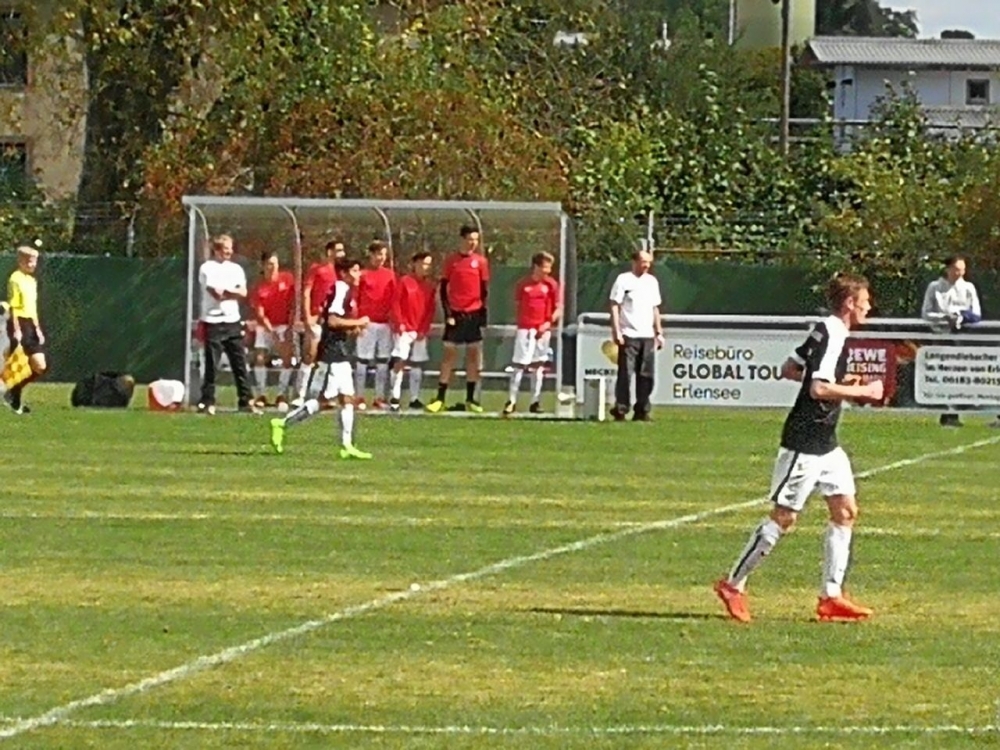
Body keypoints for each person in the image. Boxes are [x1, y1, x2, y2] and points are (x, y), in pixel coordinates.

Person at [714, 273, 884, 624]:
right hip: (805, 442)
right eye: (865, 300)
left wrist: (841, 384)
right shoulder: (832, 334)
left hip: (826, 442)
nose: (869, 306)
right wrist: (862, 391)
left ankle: (831, 597)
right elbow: (817, 389)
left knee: (845, 511)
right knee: (784, 517)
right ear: (849, 303)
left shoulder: (824, 330)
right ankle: (733, 585)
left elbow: (791, 369)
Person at [269, 257, 372, 460]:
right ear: (343, 273)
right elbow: (332, 321)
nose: (359, 274)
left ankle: (346, 445)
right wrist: (358, 322)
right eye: (355, 270)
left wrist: (352, 328)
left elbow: (335, 321)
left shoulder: (345, 290)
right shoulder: (341, 288)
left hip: (340, 351)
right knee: (325, 401)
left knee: (347, 398)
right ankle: (282, 423)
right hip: (332, 353)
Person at [426, 224, 490, 414]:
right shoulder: (451, 261)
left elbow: (484, 290)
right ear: (462, 239)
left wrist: (482, 315)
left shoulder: (481, 262)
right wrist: (448, 315)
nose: (473, 243)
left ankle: (470, 399)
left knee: (473, 357)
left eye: (476, 240)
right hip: (455, 314)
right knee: (449, 357)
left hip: (474, 314)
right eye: (470, 239)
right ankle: (440, 399)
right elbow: (444, 290)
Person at [197, 234, 259, 415]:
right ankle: (207, 401)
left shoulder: (236, 269)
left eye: (231, 248)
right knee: (212, 365)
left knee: (240, 363)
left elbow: (243, 293)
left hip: (233, 321)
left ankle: (246, 401)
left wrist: (228, 292)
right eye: (225, 249)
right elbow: (216, 294)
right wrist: (232, 292)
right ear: (216, 250)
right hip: (213, 322)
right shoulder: (207, 268)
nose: (229, 252)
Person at [920, 255, 982, 427]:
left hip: (961, 338)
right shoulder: (935, 287)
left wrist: (961, 317)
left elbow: (976, 314)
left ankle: (955, 410)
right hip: (940, 337)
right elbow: (926, 313)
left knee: (958, 374)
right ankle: (946, 410)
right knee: (943, 374)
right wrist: (944, 317)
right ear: (947, 269)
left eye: (962, 270)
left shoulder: (968, 288)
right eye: (956, 269)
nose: (959, 273)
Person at [503, 251, 562, 415]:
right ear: (536, 267)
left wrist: (547, 323)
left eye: (549, 268)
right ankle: (511, 401)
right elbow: (517, 305)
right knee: (519, 364)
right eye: (545, 267)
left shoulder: (551, 285)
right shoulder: (523, 284)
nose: (547, 271)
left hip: (543, 331)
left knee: (538, 365)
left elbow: (558, 308)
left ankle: (535, 401)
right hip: (525, 329)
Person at [608, 250, 663, 422]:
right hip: (629, 334)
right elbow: (615, 305)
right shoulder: (623, 280)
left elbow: (655, 308)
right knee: (626, 373)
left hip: (647, 335)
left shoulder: (652, 282)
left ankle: (642, 410)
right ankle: (621, 408)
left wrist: (659, 332)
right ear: (634, 262)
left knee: (646, 375)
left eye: (649, 262)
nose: (646, 265)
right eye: (643, 262)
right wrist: (616, 330)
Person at [296, 238, 345, 404]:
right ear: (330, 252)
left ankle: (325, 394)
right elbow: (306, 292)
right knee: (310, 354)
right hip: (316, 317)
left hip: (332, 320)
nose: (342, 254)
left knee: (328, 358)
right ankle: (300, 394)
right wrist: (307, 316)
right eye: (339, 250)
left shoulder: (340, 272)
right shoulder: (317, 269)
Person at [3, 246, 47, 414]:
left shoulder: (32, 281)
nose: (32, 264)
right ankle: (13, 395)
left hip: (30, 324)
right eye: (28, 261)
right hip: (19, 322)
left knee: (40, 366)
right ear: (20, 261)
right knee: (17, 361)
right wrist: (16, 330)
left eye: (34, 261)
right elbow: (13, 306)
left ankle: (13, 391)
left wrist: (38, 329)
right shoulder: (15, 279)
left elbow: (32, 308)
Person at [389, 251, 436, 411]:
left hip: (419, 330)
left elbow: (430, 309)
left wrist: (424, 328)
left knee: (417, 363)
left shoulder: (429, 286)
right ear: (415, 264)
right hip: (405, 329)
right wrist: (400, 323)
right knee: (400, 361)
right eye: (423, 263)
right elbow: (396, 303)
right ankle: (395, 396)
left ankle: (414, 398)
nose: (426, 267)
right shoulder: (404, 281)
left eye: (428, 264)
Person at [250, 250, 295, 408]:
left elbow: (293, 305)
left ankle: (281, 395)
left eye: (275, 264)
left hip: (284, 325)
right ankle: (261, 394)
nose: (273, 267)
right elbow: (260, 314)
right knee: (260, 358)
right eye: (269, 264)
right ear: (263, 265)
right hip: (266, 327)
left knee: (287, 358)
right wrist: (272, 333)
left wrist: (289, 329)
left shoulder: (288, 279)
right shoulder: (258, 286)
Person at [354, 240, 396, 410]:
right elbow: (355, 299)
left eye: (384, 255)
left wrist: (394, 320)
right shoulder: (363, 275)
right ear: (371, 255)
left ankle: (379, 397)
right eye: (378, 254)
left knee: (383, 361)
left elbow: (394, 299)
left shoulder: (390, 275)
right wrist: (357, 322)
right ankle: (359, 397)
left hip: (385, 324)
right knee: (363, 361)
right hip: (367, 323)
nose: (381, 258)